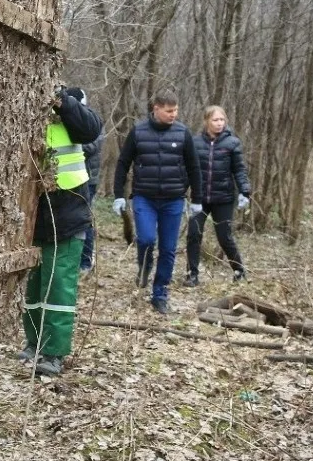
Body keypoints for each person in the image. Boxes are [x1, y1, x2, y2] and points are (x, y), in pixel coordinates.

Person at [18, 86, 102, 376]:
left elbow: (90, 130)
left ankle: (54, 353)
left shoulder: (70, 110)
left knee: (59, 287)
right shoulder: (27, 112)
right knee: (36, 284)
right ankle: (33, 342)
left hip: (69, 210)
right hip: (35, 213)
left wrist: (63, 102)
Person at [112, 90, 203, 315]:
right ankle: (144, 265)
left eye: (176, 111)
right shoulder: (139, 132)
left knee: (168, 248)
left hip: (173, 200)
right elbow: (123, 163)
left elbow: (194, 167)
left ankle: (160, 293)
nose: (174, 114)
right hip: (145, 197)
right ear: (156, 109)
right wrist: (119, 195)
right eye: (169, 111)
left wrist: (197, 199)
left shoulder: (183, 133)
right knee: (146, 239)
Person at [184, 106, 251, 287]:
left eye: (222, 120)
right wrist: (181, 192)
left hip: (223, 198)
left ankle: (239, 270)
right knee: (193, 234)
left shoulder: (232, 143)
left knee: (224, 237)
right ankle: (192, 274)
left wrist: (245, 191)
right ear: (206, 121)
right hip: (199, 198)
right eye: (215, 120)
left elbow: (239, 170)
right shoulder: (195, 142)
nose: (219, 123)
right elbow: (187, 170)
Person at [73, 88, 104, 275]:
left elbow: (93, 147)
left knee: (86, 221)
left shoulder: (93, 121)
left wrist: (73, 145)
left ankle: (85, 261)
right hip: (72, 178)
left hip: (88, 179)